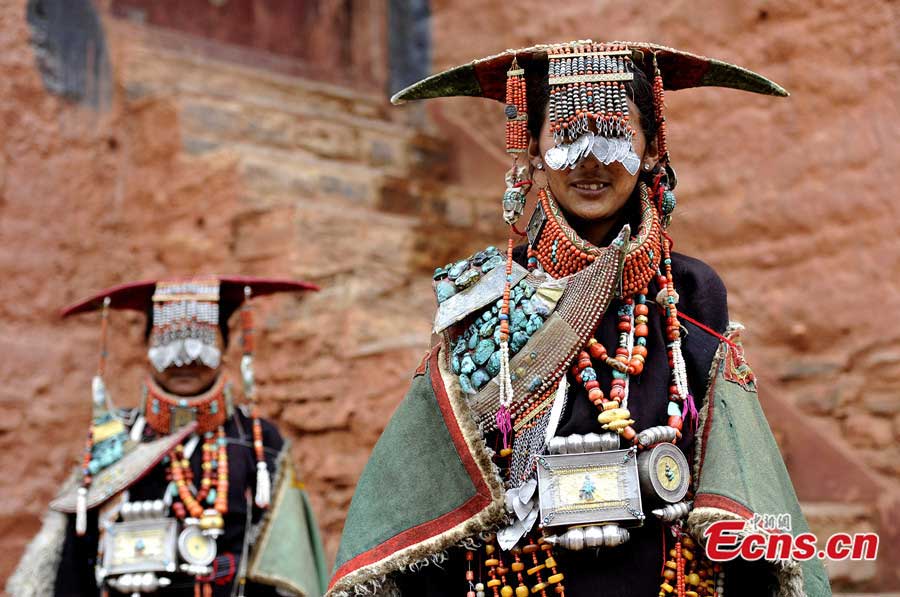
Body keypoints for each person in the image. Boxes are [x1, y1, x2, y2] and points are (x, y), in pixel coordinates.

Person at [328, 41, 830, 597]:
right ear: (534, 151)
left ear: (651, 148)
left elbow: (739, 488)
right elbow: (425, 497)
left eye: (615, 134)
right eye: (567, 136)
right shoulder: (486, 302)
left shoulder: (689, 296)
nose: (591, 161)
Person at [7, 276, 328, 597]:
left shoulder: (257, 442)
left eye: (202, 345)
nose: (185, 361)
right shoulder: (112, 438)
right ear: (146, 349)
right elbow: (76, 565)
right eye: (168, 345)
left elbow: (280, 569)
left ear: (227, 347)